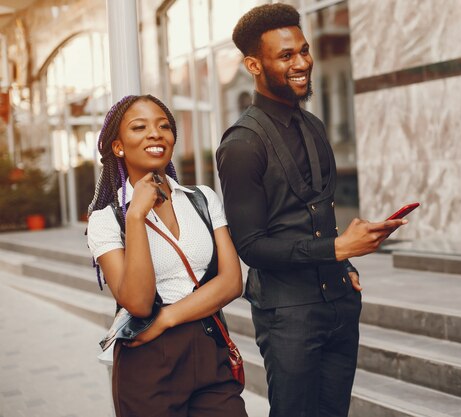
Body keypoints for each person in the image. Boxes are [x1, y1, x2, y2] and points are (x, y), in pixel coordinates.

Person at [216, 4, 407, 417]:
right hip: (288, 317)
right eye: (286, 56)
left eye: (303, 50)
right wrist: (338, 250)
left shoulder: (315, 126)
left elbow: (317, 217)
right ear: (254, 64)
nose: (302, 62)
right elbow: (250, 246)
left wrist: (347, 266)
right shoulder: (241, 145)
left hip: (339, 303)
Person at [86, 94, 247, 417]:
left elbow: (231, 282)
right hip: (147, 363)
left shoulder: (202, 199)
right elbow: (138, 302)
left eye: (164, 126)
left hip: (208, 343)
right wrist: (135, 217)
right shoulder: (106, 219)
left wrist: (166, 319)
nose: (155, 133)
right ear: (118, 146)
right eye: (139, 127)